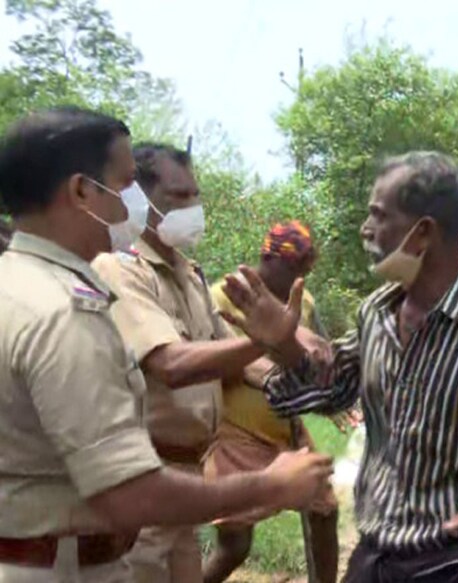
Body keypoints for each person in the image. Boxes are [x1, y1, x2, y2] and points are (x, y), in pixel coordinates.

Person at [0, 107, 331, 583]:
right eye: (125, 185)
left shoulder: (27, 283)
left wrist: (278, 351)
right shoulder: (66, 309)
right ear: (80, 191)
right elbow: (127, 491)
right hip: (70, 559)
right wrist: (269, 486)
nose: (127, 204)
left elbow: (230, 360)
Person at [220, 151, 458, 582]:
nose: (365, 230)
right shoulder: (377, 313)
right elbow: (334, 388)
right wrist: (284, 346)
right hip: (374, 559)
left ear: (422, 233)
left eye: (377, 215)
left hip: (457, 564)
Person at [90, 143, 290, 582]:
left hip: (186, 478)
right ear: (137, 200)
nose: (192, 208)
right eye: (179, 197)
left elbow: (231, 358)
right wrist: (265, 341)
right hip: (142, 479)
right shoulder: (121, 269)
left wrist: (298, 379)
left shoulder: (189, 273)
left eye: (194, 196)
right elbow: (172, 364)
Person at [202, 221, 339, 583]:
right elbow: (226, 362)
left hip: (286, 427)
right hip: (235, 431)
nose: (300, 277)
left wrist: (337, 398)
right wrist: (281, 371)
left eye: (306, 270)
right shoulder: (224, 296)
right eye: (294, 268)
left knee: (323, 511)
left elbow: (319, 352)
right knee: (235, 545)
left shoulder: (301, 301)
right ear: (269, 258)